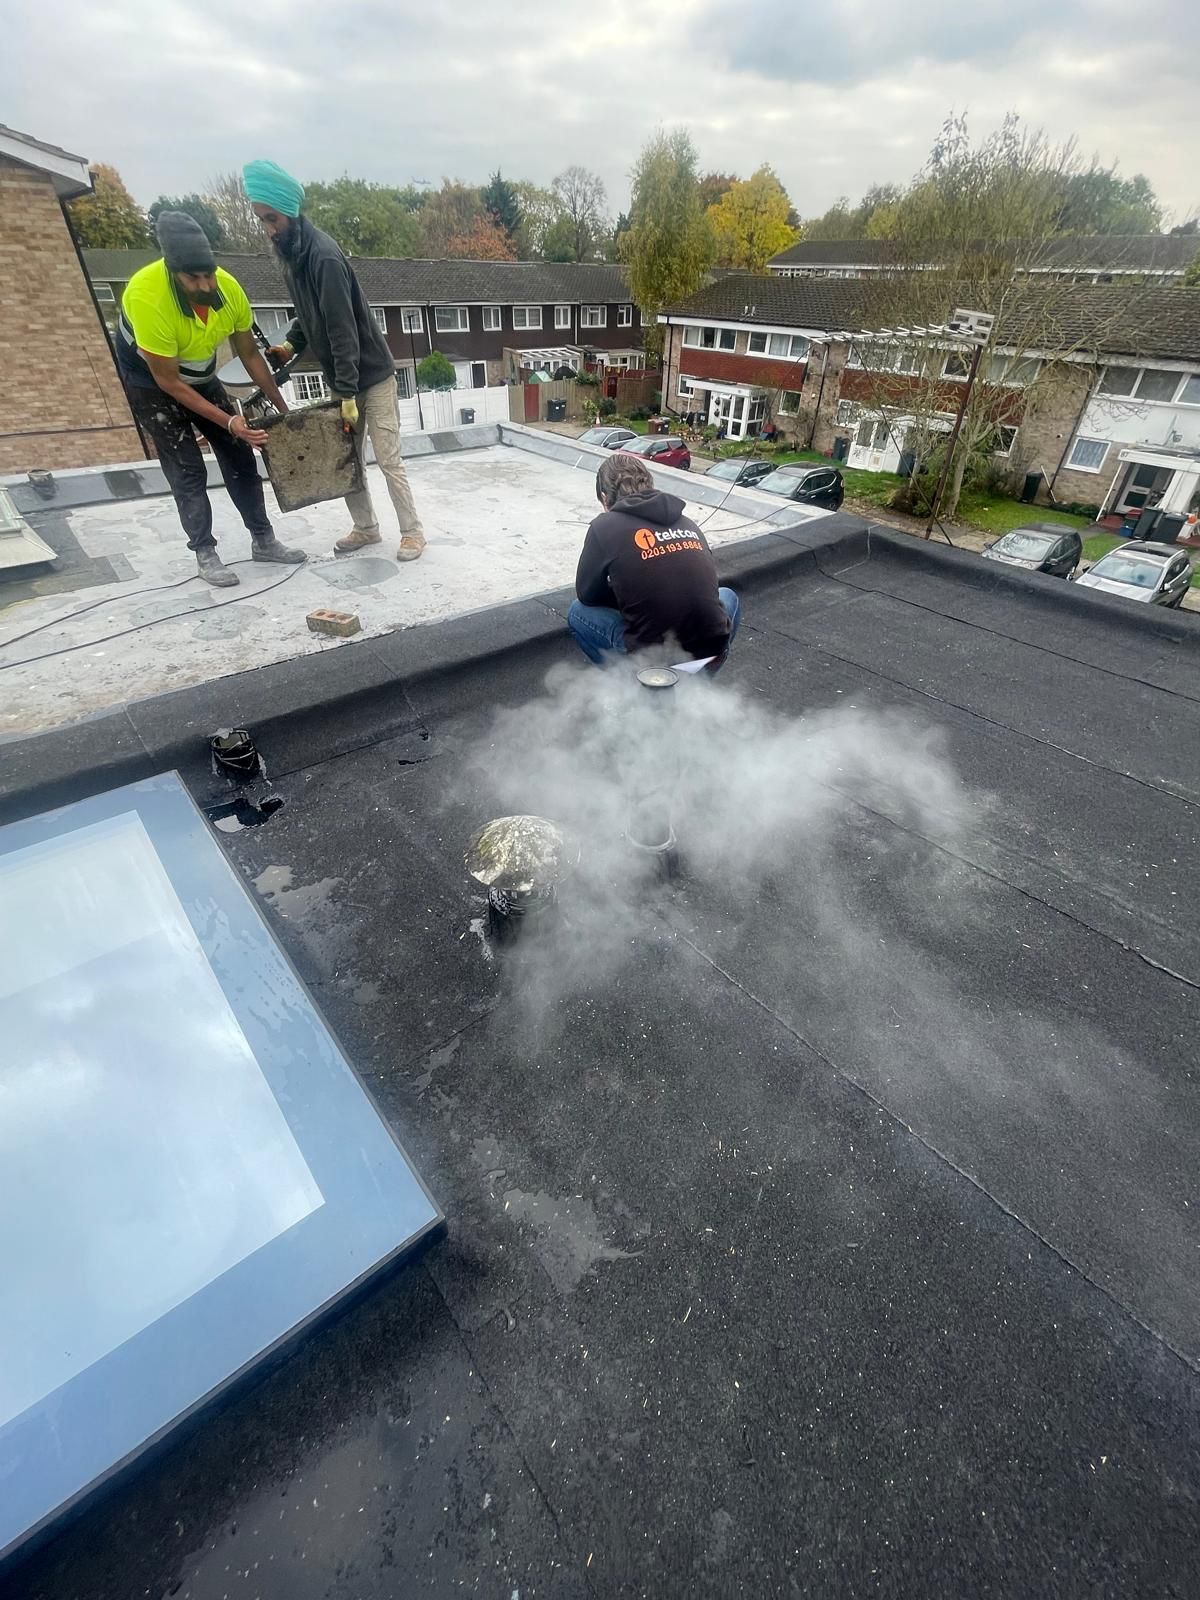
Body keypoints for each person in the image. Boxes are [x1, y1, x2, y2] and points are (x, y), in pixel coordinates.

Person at [242, 159, 426, 563]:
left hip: (372, 376)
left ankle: (412, 532)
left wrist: (345, 392)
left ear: (288, 211)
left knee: (388, 458)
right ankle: (366, 528)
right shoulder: (292, 258)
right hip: (344, 379)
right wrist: (290, 345)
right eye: (262, 220)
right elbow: (309, 314)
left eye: (271, 218)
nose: (269, 228)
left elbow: (342, 330)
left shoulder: (322, 257)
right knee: (346, 458)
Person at [116, 211, 304, 587]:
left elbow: (250, 355)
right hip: (152, 384)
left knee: (239, 455)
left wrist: (283, 410)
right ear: (173, 271)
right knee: (187, 469)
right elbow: (169, 382)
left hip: (200, 376)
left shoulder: (228, 289)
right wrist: (230, 420)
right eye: (193, 278)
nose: (203, 285)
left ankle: (263, 539)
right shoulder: (148, 296)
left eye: (208, 275)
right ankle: (205, 551)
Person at [568, 454, 740, 668]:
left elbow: (587, 595)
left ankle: (634, 689)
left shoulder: (604, 526)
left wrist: (627, 597)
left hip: (652, 659)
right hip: (711, 650)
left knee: (577, 612)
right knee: (728, 596)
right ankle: (696, 682)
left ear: (605, 497)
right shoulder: (686, 521)